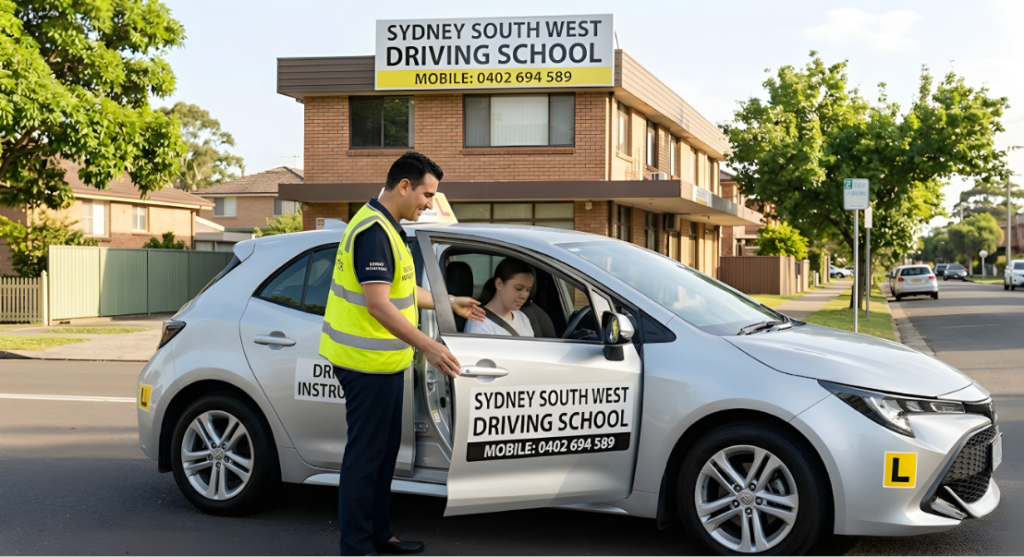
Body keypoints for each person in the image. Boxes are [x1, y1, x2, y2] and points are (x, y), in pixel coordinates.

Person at [320, 151, 485, 556]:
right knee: (365, 459)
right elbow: (378, 305)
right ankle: (356, 545)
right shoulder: (374, 232)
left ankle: (379, 534)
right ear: (404, 186)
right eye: (427, 194)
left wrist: (451, 302)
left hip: (386, 364)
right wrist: (428, 345)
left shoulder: (388, 227)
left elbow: (402, 291)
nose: (429, 203)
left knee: (384, 454)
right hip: (365, 365)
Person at [465, 258, 535, 337]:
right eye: (518, 288)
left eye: (528, 290)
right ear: (499, 284)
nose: (524, 296)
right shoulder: (479, 322)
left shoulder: (522, 317)